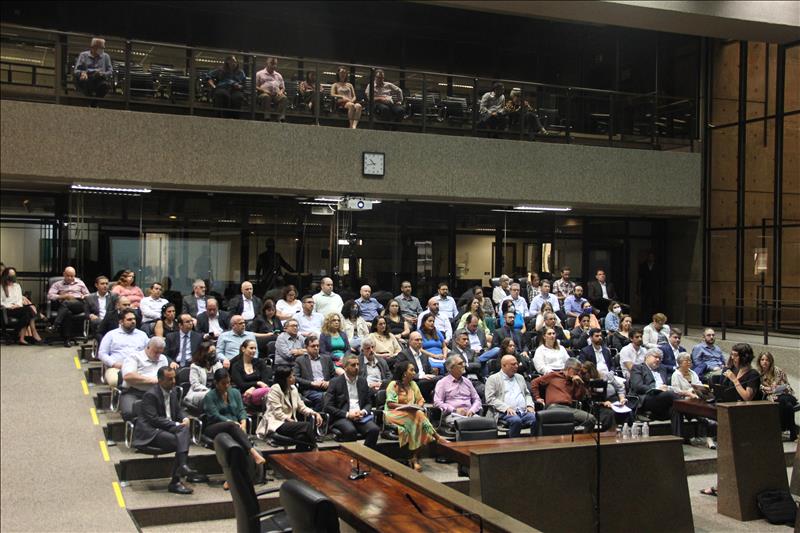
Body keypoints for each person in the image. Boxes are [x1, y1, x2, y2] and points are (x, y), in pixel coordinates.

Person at [131, 366, 207, 495]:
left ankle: (181, 471)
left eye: (174, 378)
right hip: (151, 432)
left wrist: (184, 418)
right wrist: (177, 424)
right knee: (181, 438)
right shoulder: (151, 395)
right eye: (169, 379)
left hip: (167, 429)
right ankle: (177, 478)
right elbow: (154, 419)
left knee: (183, 432)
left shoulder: (173, 392)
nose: (173, 382)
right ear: (160, 380)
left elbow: (178, 410)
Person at [203, 369, 267, 490]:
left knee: (236, 445)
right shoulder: (209, 396)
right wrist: (230, 422)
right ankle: (253, 453)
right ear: (216, 383)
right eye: (223, 383)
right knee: (232, 426)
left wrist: (243, 421)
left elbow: (241, 410)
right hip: (215, 427)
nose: (227, 386)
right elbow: (214, 415)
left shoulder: (235, 392)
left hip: (234, 427)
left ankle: (231, 478)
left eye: (228, 383)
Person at [384, 360, 448, 471]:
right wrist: (406, 406)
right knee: (417, 417)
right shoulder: (393, 385)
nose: (414, 372)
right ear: (404, 373)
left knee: (417, 415)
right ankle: (435, 439)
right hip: (394, 413)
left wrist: (418, 405)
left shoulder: (413, 384)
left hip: (412, 414)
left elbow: (420, 400)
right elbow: (390, 403)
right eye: (412, 370)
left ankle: (413, 457)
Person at [323, 354, 380, 448]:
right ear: (345, 367)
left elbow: (368, 402)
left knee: (374, 430)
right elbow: (328, 406)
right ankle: (348, 458)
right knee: (350, 431)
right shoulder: (335, 382)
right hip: (342, 417)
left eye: (358, 364)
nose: (357, 367)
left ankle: (365, 457)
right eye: (353, 365)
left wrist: (363, 411)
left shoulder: (362, 381)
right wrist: (348, 414)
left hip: (360, 415)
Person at [263, 365, 323, 451]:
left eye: (293, 375)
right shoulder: (275, 389)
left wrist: (314, 413)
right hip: (278, 423)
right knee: (307, 425)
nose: (294, 378)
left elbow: (301, 407)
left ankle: (300, 459)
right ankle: (314, 447)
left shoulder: (293, 388)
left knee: (303, 437)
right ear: (284, 379)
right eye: (291, 376)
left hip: (291, 424)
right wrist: (291, 421)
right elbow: (277, 413)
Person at [532, 357, 596, 431]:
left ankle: (581, 440)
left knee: (591, 419)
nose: (579, 373)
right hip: (553, 407)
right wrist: (537, 397)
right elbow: (534, 382)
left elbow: (579, 397)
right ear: (569, 369)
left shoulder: (575, 381)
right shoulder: (554, 375)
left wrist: (580, 384)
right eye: (577, 370)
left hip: (569, 409)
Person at [120, 336, 172, 420]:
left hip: (155, 393)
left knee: (166, 412)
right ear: (148, 347)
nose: (158, 355)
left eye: (160, 352)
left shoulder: (163, 359)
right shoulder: (134, 357)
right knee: (129, 413)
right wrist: (152, 380)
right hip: (133, 392)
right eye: (155, 352)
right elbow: (128, 376)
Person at [671, 352, 716, 449]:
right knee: (702, 416)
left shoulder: (693, 373)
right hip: (684, 401)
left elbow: (698, 384)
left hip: (697, 399)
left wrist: (702, 389)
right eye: (686, 360)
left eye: (690, 360)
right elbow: (676, 390)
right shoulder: (676, 374)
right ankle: (708, 434)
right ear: (680, 363)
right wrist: (688, 393)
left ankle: (709, 437)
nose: (689, 362)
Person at [485, 355, 537, 438]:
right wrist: (506, 408)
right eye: (513, 364)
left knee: (536, 418)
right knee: (516, 420)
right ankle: (513, 446)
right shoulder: (493, 379)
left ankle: (535, 445)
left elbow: (527, 394)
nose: (516, 366)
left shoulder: (520, 377)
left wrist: (529, 405)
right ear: (504, 365)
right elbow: (490, 399)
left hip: (522, 411)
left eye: (517, 364)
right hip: (502, 412)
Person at [98, 310, 149, 387]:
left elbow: (149, 351)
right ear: (121, 322)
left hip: (139, 367)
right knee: (115, 380)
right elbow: (102, 354)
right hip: (117, 368)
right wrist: (114, 364)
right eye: (129, 319)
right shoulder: (111, 335)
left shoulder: (142, 335)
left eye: (134, 319)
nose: (133, 321)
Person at [759, 351, 798, 441]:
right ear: (759, 361)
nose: (765, 362)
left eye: (767, 360)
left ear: (771, 361)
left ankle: (780, 430)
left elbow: (787, 386)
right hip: (773, 396)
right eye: (762, 359)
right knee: (787, 406)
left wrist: (777, 388)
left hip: (785, 394)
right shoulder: (758, 373)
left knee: (783, 400)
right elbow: (760, 387)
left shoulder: (777, 370)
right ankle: (793, 433)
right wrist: (769, 389)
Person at [434, 355, 482, 427]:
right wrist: (454, 410)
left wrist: (472, 410)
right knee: (465, 424)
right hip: (452, 415)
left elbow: (477, 399)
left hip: (470, 415)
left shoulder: (467, 382)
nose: (464, 365)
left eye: (463, 363)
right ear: (451, 368)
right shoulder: (442, 383)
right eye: (460, 364)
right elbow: (437, 402)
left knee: (484, 423)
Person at [47, 266, 90, 346]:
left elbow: (88, 294)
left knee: (66, 304)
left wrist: (82, 296)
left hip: (78, 304)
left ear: (75, 275)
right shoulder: (57, 284)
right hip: (63, 305)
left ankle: (55, 325)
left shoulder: (80, 283)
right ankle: (67, 339)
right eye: (68, 276)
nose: (70, 278)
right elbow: (50, 296)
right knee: (67, 312)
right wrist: (63, 296)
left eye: (72, 276)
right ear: (64, 274)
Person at [293, 335, 337, 411]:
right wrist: (311, 383)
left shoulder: (326, 359)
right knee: (322, 397)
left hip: (327, 388)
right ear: (306, 347)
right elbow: (295, 378)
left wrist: (329, 383)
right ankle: (318, 419)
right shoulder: (300, 360)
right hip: (310, 390)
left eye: (317, 346)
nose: (316, 348)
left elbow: (334, 376)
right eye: (313, 346)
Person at [1, 266, 43, 344]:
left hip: (17, 308)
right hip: (6, 310)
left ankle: (17, 336)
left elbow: (19, 299)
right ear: (6, 275)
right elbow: (1, 301)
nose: (12, 277)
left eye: (14, 275)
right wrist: (10, 306)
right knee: (29, 311)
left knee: (27, 313)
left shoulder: (17, 286)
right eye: (11, 275)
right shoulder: (1, 286)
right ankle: (22, 336)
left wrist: (17, 305)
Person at [581, 361, 628, 431]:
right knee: (610, 414)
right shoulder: (584, 382)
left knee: (626, 412)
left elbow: (619, 388)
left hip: (614, 401)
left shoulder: (606, 376)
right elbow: (589, 399)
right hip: (598, 405)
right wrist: (603, 403)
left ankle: (626, 432)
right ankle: (612, 435)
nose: (584, 375)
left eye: (585, 373)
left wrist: (622, 398)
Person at [395, 331, 439, 401]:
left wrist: (433, 374)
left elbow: (430, 371)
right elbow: (400, 373)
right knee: (431, 381)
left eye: (421, 340)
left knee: (440, 378)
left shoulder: (424, 355)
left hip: (426, 380)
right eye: (417, 340)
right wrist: (420, 376)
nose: (420, 342)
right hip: (413, 382)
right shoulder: (403, 354)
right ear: (409, 341)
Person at [231, 339, 271, 408]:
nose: (254, 351)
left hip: (262, 391)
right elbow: (241, 384)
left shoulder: (260, 362)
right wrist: (257, 383)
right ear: (243, 349)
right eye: (251, 348)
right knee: (271, 392)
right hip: (246, 394)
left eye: (255, 348)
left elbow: (265, 381)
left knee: (272, 391)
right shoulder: (236, 366)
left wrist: (253, 388)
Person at [183, 341, 222, 410]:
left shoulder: (218, 364)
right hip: (198, 393)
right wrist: (210, 392)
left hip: (216, 393)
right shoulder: (195, 366)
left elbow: (222, 380)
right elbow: (195, 385)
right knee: (209, 395)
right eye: (211, 352)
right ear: (204, 353)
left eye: (214, 352)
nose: (213, 354)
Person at [255, 57, 287, 122]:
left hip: (276, 94)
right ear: (267, 63)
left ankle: (280, 118)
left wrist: (281, 92)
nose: (273, 66)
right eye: (272, 63)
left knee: (284, 98)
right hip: (263, 94)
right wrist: (264, 90)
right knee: (266, 97)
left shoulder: (278, 75)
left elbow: (283, 87)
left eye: (275, 64)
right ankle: (267, 117)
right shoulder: (259, 74)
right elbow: (255, 86)